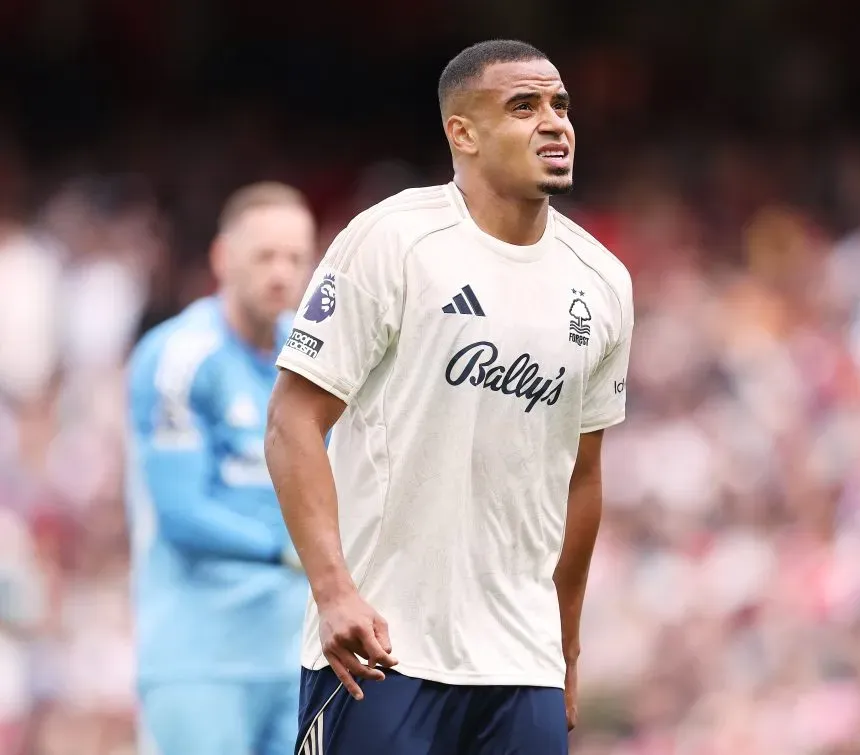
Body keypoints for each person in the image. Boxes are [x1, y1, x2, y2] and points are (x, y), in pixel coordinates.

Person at [266, 39, 634, 755]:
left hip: (521, 665)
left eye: (560, 104)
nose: (554, 122)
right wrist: (334, 590)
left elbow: (582, 477)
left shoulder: (604, 281)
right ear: (461, 132)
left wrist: (565, 649)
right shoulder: (392, 241)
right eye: (523, 106)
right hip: (381, 649)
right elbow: (292, 421)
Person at [126, 182, 316, 755]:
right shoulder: (179, 357)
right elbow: (182, 513)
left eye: (295, 258)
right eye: (264, 256)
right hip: (200, 660)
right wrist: (292, 550)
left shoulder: (311, 359)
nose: (281, 272)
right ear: (222, 258)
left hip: (294, 656)